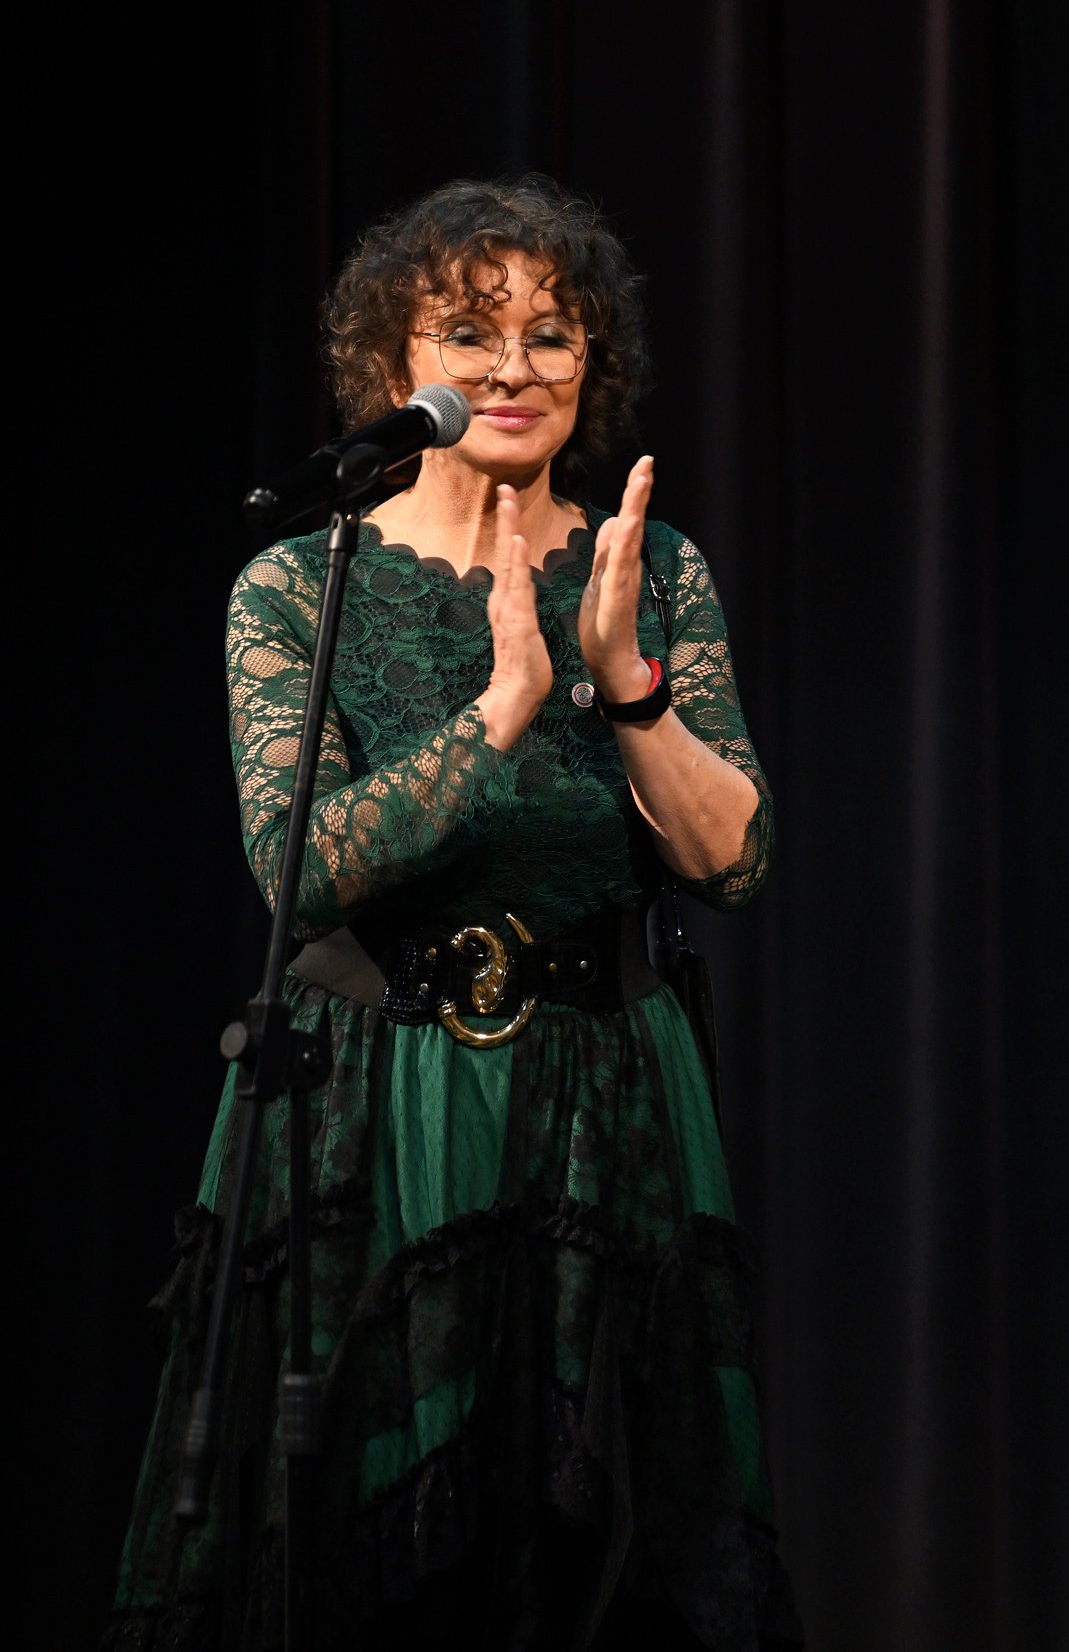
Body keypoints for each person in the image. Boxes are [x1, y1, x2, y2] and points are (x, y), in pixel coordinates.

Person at [109, 175, 798, 1650]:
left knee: (597, 1547)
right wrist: (496, 715)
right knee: (365, 1553)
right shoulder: (299, 584)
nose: (511, 368)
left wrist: (626, 685)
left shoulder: (653, 571)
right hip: (374, 1103)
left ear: (594, 366)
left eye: (552, 335)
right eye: (468, 333)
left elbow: (734, 862)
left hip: (603, 1098)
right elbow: (300, 868)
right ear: (391, 362)